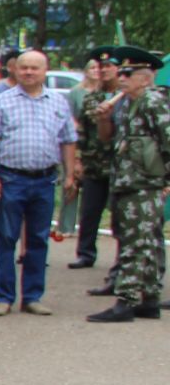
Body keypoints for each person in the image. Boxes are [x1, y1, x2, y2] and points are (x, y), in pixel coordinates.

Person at [0, 49, 80, 316]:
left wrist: (70, 174)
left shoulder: (58, 102)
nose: (29, 72)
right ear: (15, 69)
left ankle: (33, 296)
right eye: (24, 67)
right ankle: (3, 297)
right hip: (11, 179)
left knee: (38, 240)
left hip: (45, 180)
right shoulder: (3, 101)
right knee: (7, 238)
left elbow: (68, 140)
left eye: (35, 68)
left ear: (45, 70)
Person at [86, 46, 168, 322]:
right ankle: (149, 297)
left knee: (135, 243)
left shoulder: (153, 102)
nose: (121, 77)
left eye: (128, 73)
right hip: (129, 182)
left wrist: (166, 181)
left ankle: (127, 300)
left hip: (145, 185)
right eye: (121, 72)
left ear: (145, 78)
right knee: (147, 240)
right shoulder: (130, 103)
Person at [70, 49, 120, 276]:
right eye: (101, 67)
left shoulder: (126, 97)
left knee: (119, 214)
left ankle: (122, 259)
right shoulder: (91, 97)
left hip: (120, 165)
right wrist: (78, 160)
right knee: (89, 211)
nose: (104, 70)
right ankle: (85, 253)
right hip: (94, 163)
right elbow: (81, 131)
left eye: (109, 66)